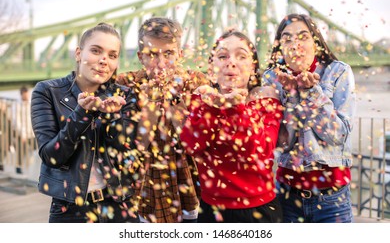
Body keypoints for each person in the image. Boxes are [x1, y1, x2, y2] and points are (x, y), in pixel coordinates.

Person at [30, 22, 140, 223]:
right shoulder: (47, 91)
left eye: (112, 55)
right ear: (79, 53)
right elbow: (51, 157)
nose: (104, 60)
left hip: (120, 207)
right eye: (96, 51)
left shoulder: (124, 96)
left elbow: (127, 156)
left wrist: (111, 116)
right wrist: (82, 114)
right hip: (70, 210)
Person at [180, 30, 283, 223]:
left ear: (253, 67)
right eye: (222, 56)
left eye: (241, 56)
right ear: (211, 67)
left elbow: (262, 151)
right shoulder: (202, 98)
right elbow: (191, 145)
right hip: (211, 210)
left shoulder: (266, 99)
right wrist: (216, 108)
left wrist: (237, 107)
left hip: (260, 211)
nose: (231, 62)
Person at [262, 13, 356, 223]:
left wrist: (311, 91)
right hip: (286, 197)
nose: (295, 45)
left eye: (303, 37)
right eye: (287, 39)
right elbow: (281, 143)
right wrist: (292, 95)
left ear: (316, 43)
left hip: (332, 201)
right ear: (280, 48)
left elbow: (337, 135)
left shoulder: (338, 72)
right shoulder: (271, 78)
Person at [116, 16, 209, 223]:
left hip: (191, 191)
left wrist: (175, 105)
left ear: (180, 54)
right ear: (141, 57)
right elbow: (130, 148)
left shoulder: (197, 83)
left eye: (169, 54)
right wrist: (149, 107)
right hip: (145, 195)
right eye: (152, 55)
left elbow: (201, 145)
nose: (161, 64)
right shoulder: (126, 85)